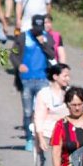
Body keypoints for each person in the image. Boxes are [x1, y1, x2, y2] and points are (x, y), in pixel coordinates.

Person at [10, 15, 56, 151]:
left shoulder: (46, 37)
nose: (38, 30)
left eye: (40, 28)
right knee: (28, 111)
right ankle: (29, 139)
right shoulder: (23, 37)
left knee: (42, 111)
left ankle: (42, 137)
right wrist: (19, 66)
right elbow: (13, 54)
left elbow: (52, 55)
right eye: (36, 28)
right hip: (27, 79)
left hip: (43, 79)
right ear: (32, 26)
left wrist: (43, 43)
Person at [34, 63, 71, 166]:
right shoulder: (44, 94)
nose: (68, 78)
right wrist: (40, 137)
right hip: (48, 137)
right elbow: (38, 117)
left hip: (65, 138)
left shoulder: (70, 93)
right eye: (65, 75)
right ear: (55, 76)